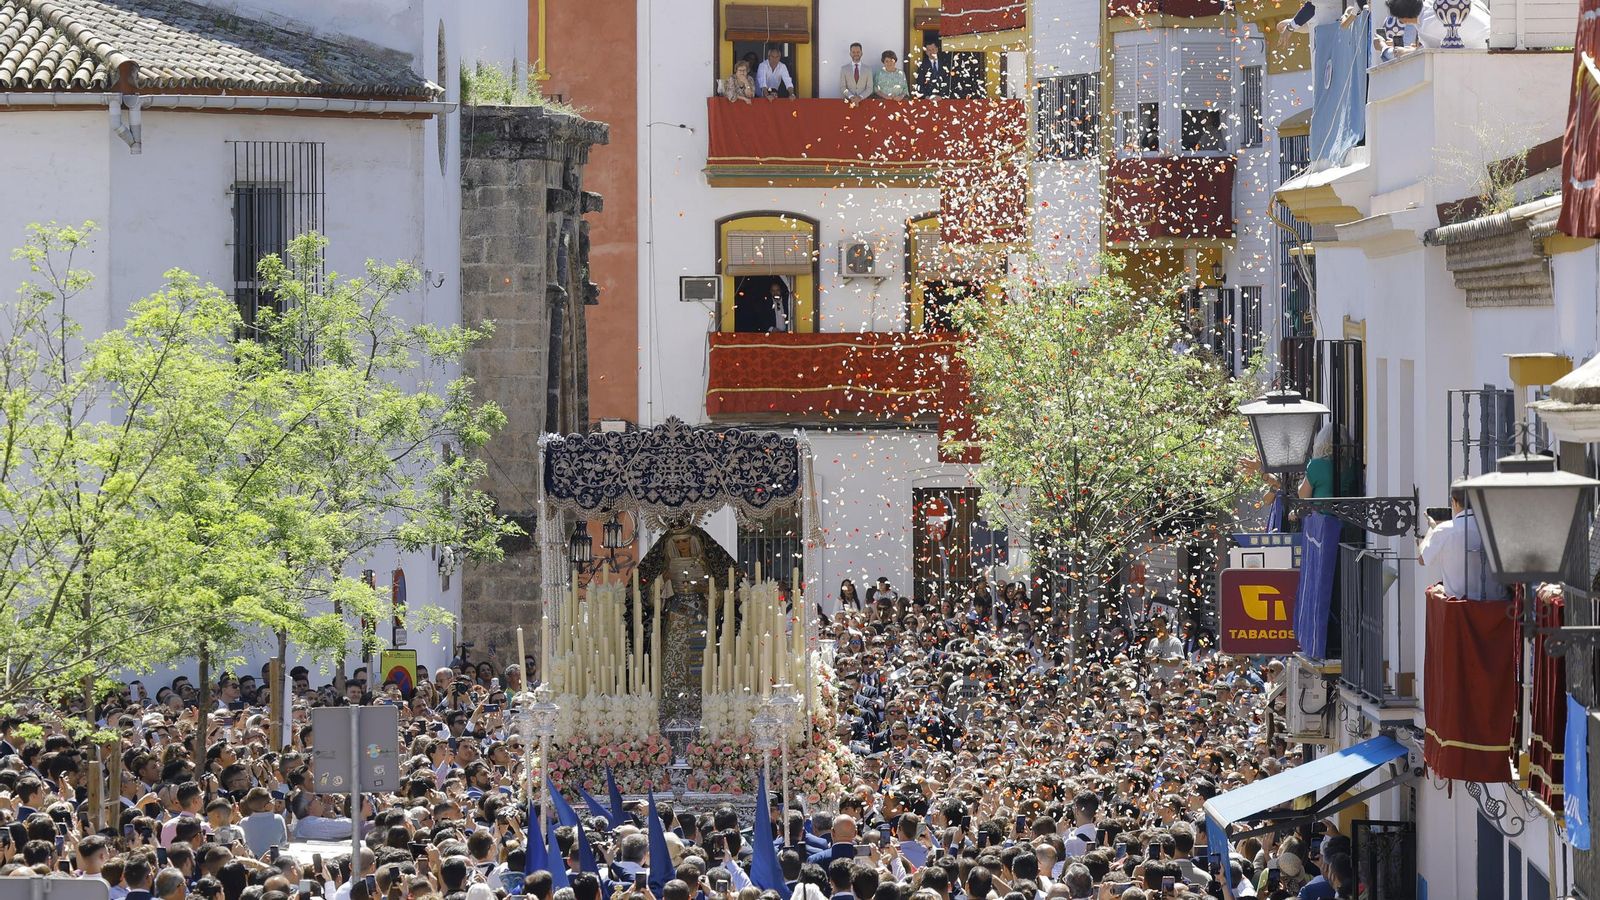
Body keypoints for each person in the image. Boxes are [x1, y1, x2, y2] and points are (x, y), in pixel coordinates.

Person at [1418, 483, 1507, 601]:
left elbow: (1422, 559)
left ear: (1454, 502)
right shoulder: (1496, 527)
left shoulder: (1443, 530)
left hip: (1460, 606)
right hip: (1496, 605)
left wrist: (1431, 530)